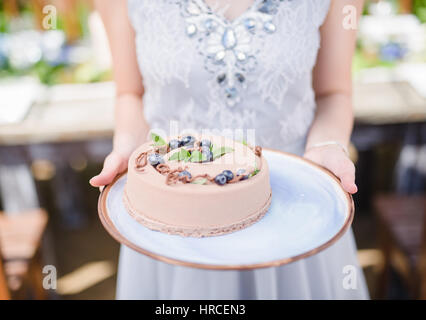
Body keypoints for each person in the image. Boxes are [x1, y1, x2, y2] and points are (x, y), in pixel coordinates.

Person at [91, 0, 369, 299]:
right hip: (172, 218)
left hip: (293, 212)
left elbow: (333, 93)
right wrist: (129, 149)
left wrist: (327, 145)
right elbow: (130, 93)